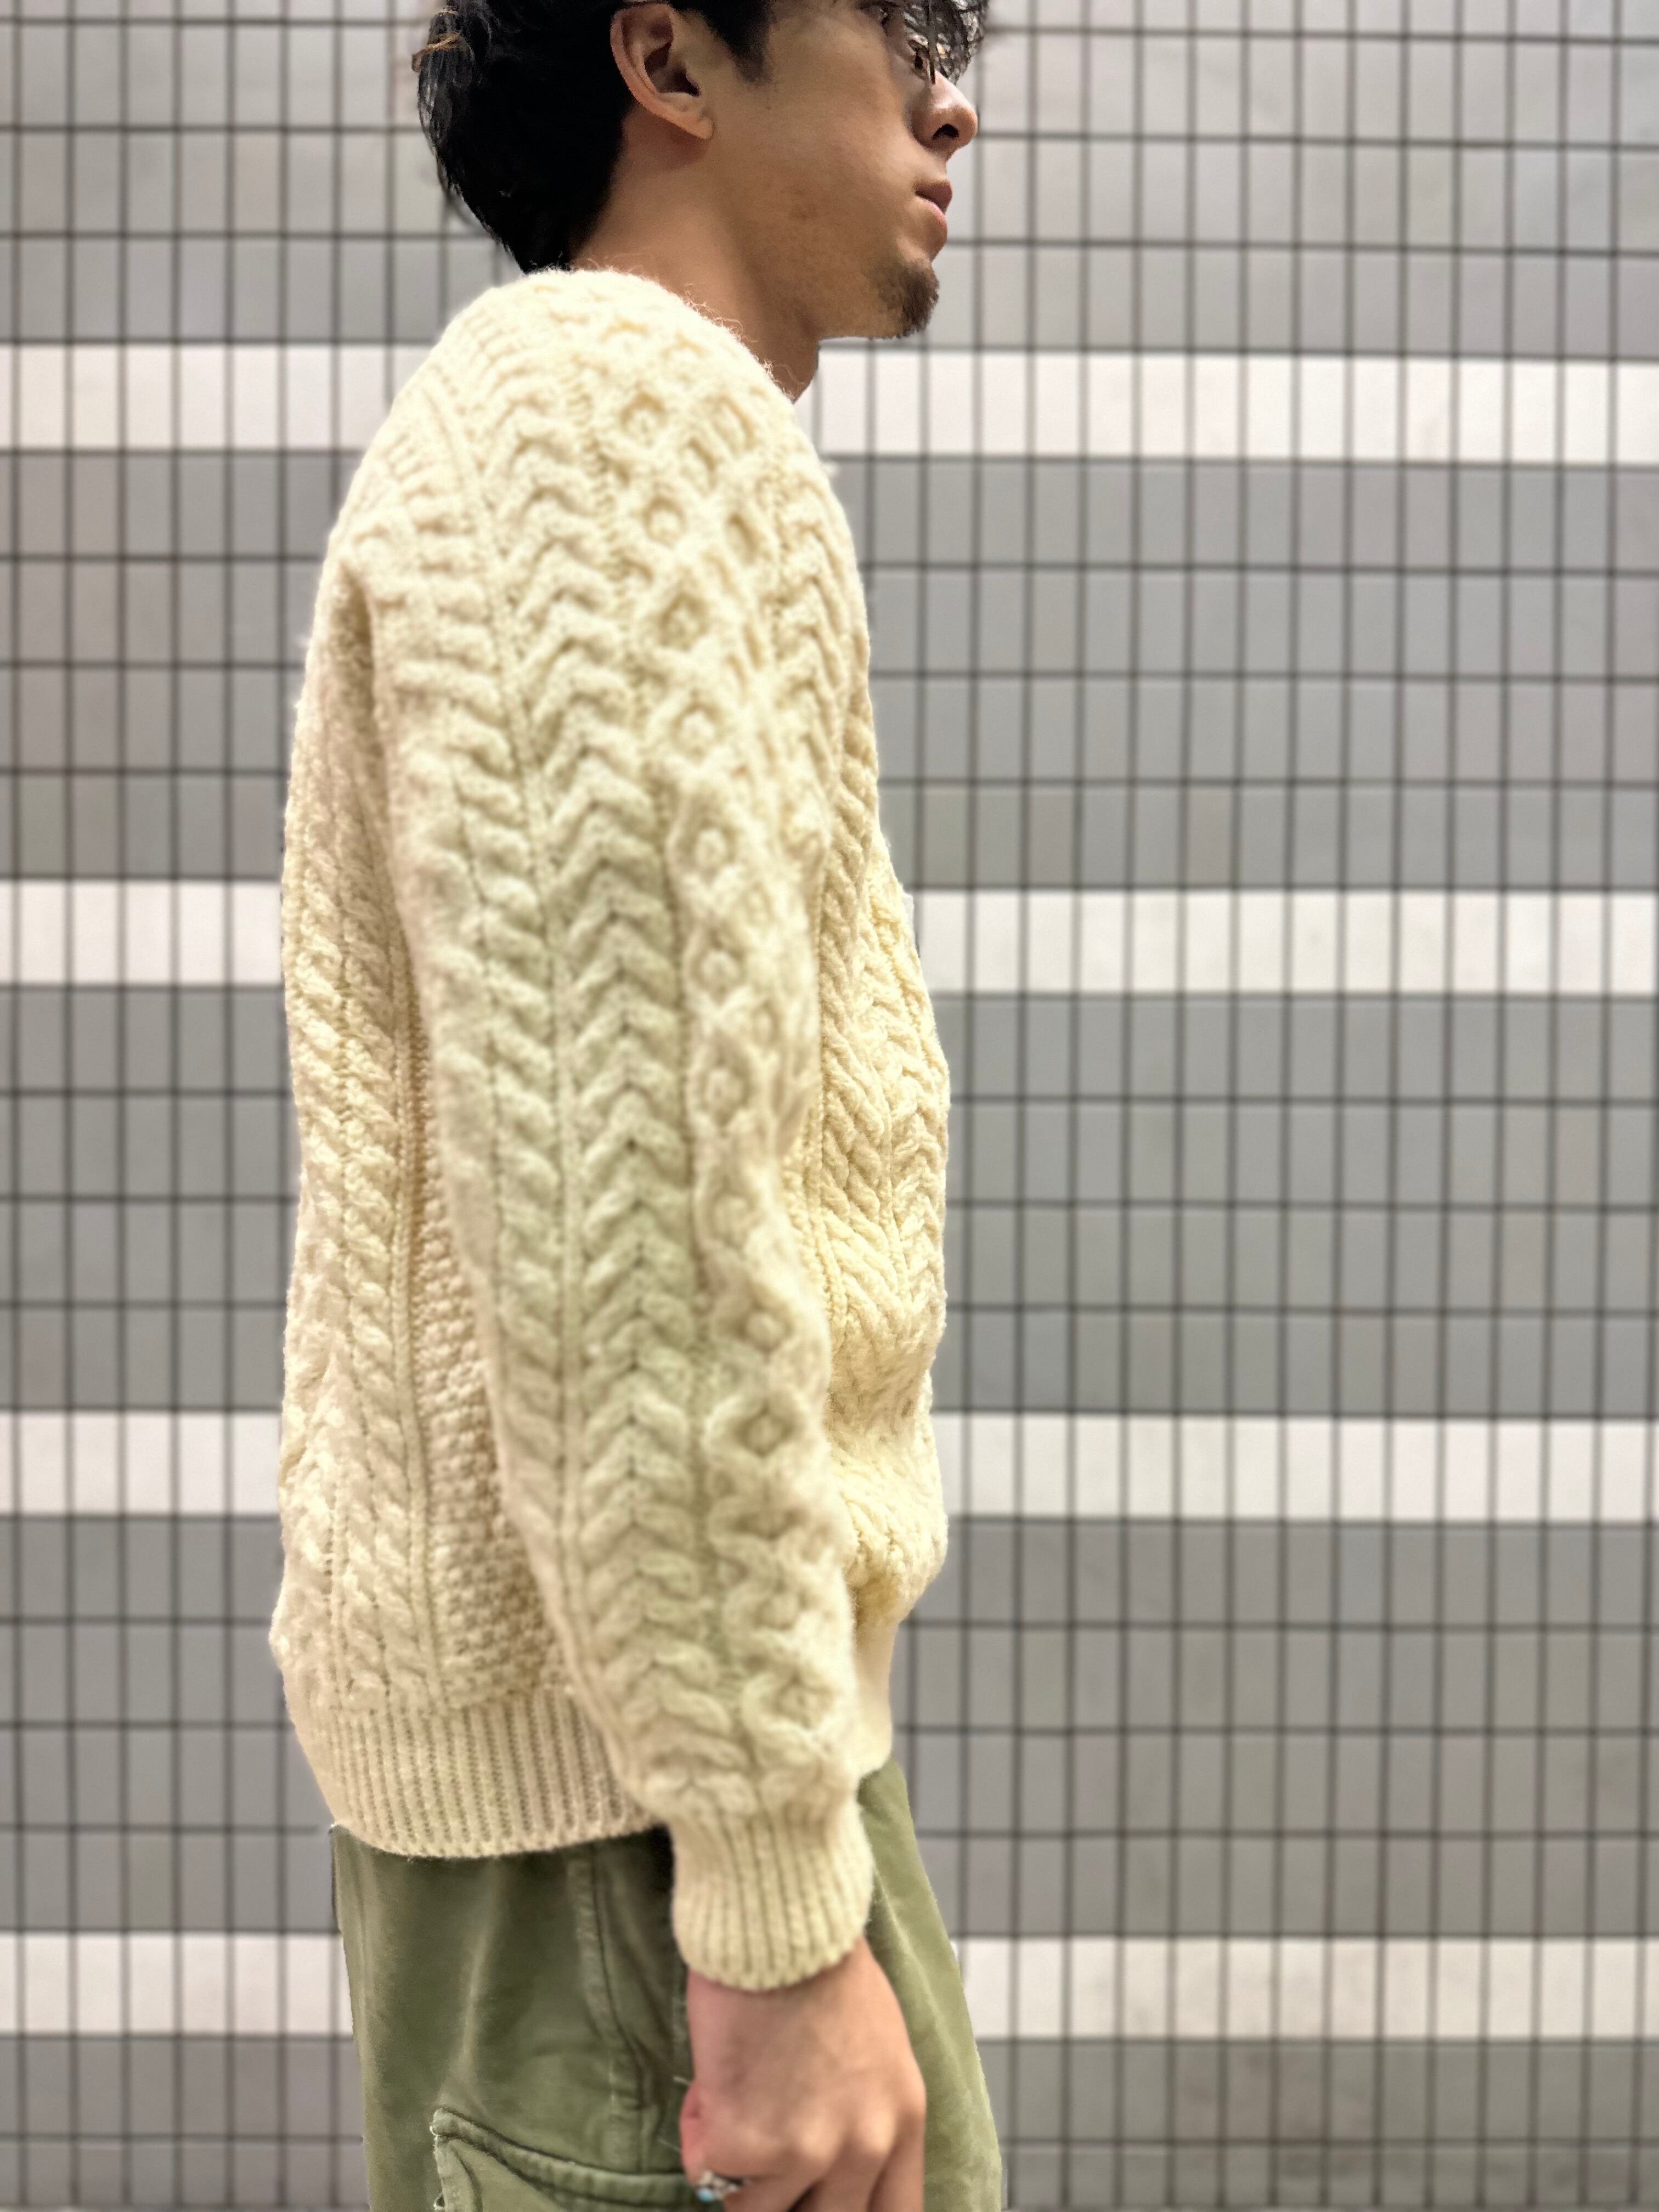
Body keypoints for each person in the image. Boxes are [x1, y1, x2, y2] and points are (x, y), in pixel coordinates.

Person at [272, 0, 994, 2201]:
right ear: (670, 61)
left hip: (643, 1787)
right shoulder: (602, 421)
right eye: (903, 27)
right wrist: (772, 1908)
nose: (956, 99)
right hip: (644, 1844)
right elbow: (632, 1235)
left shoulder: (590, 428)